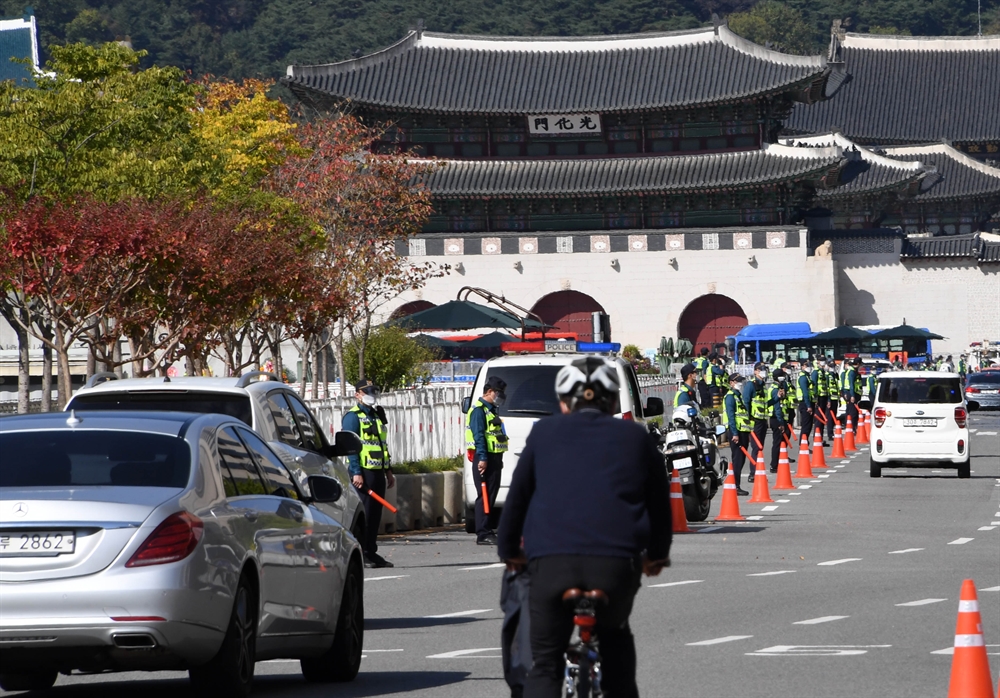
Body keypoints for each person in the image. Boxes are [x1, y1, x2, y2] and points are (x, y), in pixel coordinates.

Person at [497, 356, 671, 698]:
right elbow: (659, 503)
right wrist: (657, 555)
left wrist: (508, 551)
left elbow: (517, 497)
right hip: (615, 565)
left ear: (563, 402)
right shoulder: (635, 437)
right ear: (611, 402)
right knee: (616, 641)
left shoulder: (543, 432)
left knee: (546, 663)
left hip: (551, 562)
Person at [343, 379, 395, 569]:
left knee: (375, 514)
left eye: (374, 391)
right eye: (367, 391)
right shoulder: (352, 417)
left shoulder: (376, 414)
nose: (372, 394)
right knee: (364, 514)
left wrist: (388, 470)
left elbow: (382, 444)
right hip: (363, 473)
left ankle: (371, 551)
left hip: (377, 471)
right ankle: (361, 552)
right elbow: (351, 447)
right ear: (357, 394)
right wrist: (356, 472)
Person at [465, 375, 509, 545]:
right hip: (485, 459)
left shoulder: (491, 410)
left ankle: (487, 529)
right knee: (484, 496)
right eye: (499, 393)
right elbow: (479, 437)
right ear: (489, 391)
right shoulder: (478, 410)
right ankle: (483, 532)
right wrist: (483, 457)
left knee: (490, 495)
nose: (501, 396)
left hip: (494, 458)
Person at [723, 373, 751, 496]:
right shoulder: (730, 397)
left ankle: (736, 485)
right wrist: (734, 433)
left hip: (743, 431)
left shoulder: (738, 396)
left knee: (741, 459)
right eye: (737, 381)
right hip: (736, 432)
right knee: (737, 460)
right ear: (731, 383)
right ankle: (735, 485)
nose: (740, 383)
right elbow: (731, 417)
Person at [747, 362, 770, 478]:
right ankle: (753, 473)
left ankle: (758, 471)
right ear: (755, 371)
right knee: (756, 448)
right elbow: (746, 402)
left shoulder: (763, 385)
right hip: (754, 421)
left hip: (763, 420)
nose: (763, 371)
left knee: (761, 447)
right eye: (761, 369)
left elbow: (765, 403)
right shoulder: (751, 385)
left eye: (764, 369)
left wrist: (777, 398)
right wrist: (747, 420)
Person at [768, 369, 788, 473]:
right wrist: (781, 422)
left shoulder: (778, 387)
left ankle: (780, 461)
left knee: (780, 441)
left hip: (778, 417)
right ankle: (774, 465)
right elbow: (777, 407)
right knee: (777, 442)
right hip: (776, 418)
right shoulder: (775, 389)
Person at [840, 357, 862, 431]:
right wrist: (852, 395)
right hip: (851, 393)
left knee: (850, 411)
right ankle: (852, 427)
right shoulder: (852, 372)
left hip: (852, 393)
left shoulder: (852, 371)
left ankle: (850, 426)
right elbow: (851, 385)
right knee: (853, 412)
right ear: (858, 364)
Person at [796, 360, 814, 447]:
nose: (809, 367)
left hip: (809, 402)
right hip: (804, 403)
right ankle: (803, 444)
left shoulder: (807, 376)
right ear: (802, 366)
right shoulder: (803, 377)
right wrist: (808, 406)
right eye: (807, 365)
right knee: (806, 425)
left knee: (809, 425)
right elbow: (805, 392)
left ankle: (805, 443)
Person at [812, 359, 829, 445]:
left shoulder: (823, 372)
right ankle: (817, 437)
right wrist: (815, 399)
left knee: (822, 418)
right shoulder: (816, 372)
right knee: (819, 418)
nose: (823, 362)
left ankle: (820, 438)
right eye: (821, 360)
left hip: (824, 397)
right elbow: (814, 385)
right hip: (819, 398)